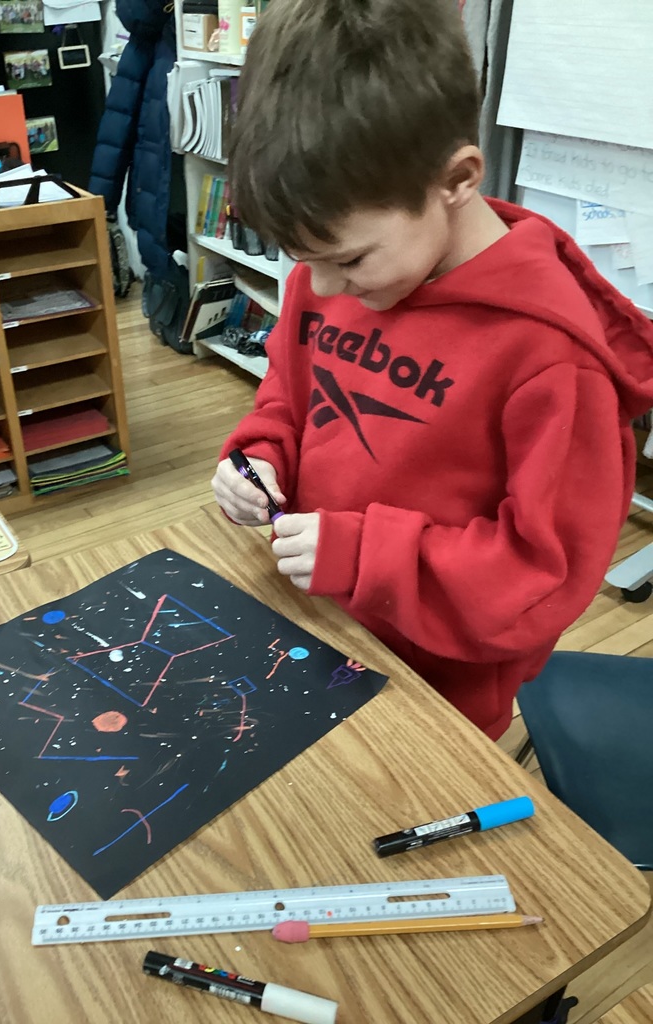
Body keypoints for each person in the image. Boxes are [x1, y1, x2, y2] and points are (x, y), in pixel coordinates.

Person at [210, 0, 653, 739]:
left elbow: (539, 576)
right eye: (302, 260)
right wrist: (257, 457)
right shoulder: (336, 272)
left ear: (457, 178)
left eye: (347, 259)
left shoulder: (551, 360)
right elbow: (291, 399)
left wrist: (363, 555)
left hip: (432, 693)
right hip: (310, 621)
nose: (317, 289)